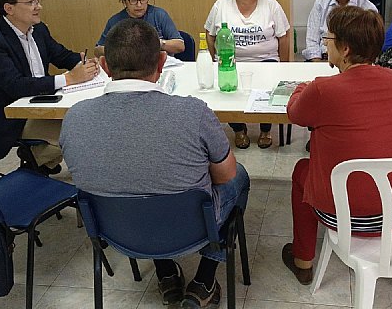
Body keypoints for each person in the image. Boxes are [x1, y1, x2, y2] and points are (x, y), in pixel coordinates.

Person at [60, 18, 250, 308]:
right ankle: (204, 279)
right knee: (240, 178)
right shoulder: (194, 112)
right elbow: (225, 176)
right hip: (193, 227)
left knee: (139, 179)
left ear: (106, 67)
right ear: (162, 62)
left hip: (116, 229)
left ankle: (165, 272)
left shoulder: (74, 117)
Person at [281, 5, 392, 285]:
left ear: (344, 49)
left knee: (301, 171)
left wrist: (301, 87)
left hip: (349, 217)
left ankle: (303, 259)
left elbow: (294, 114)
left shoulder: (323, 89)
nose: (324, 44)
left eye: (328, 39)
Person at [0, 0, 98, 174]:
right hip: (8, 118)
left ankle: (40, 160)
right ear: (9, 8)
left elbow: (61, 55)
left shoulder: (38, 29)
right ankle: (36, 160)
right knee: (79, 130)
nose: (39, 6)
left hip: (40, 104)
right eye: (31, 2)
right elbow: (15, 85)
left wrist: (83, 62)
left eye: (38, 0)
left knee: (89, 119)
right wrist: (69, 79)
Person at [204, 0, 290, 149]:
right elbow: (210, 36)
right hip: (232, 60)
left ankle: (265, 129)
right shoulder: (221, 4)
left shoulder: (270, 3)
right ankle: (239, 130)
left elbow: (283, 37)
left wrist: (284, 66)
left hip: (266, 60)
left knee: (267, 87)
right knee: (226, 91)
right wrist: (215, 61)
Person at [95, 0, 184, 57]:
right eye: (133, 0)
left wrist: (157, 43)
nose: (139, 4)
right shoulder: (115, 21)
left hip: (159, 67)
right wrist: (119, 48)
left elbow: (180, 46)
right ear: (124, 0)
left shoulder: (159, 15)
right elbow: (98, 50)